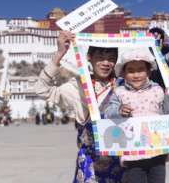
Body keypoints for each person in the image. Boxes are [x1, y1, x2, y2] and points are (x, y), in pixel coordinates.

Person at [35, 31, 124, 182]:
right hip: (90, 164)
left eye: (111, 59)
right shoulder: (78, 87)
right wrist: (59, 54)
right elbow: (42, 90)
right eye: (101, 58)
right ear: (90, 57)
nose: (106, 63)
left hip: (120, 164)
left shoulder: (123, 86)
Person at [104, 49, 169, 183]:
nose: (136, 74)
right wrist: (119, 110)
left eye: (140, 69)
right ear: (123, 73)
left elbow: (168, 115)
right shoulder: (119, 92)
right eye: (131, 70)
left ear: (148, 71)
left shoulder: (158, 90)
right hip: (132, 152)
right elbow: (108, 112)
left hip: (157, 151)